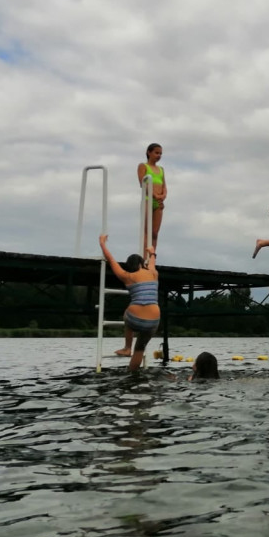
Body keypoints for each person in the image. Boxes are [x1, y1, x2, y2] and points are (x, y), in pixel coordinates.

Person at [99, 234, 160, 371]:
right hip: (154, 321)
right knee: (140, 348)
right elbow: (152, 262)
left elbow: (111, 260)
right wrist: (152, 253)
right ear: (141, 264)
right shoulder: (153, 273)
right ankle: (134, 375)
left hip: (135, 319)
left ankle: (127, 348)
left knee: (127, 313)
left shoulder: (127, 276)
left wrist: (102, 243)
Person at [138, 143, 167, 250]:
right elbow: (143, 184)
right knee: (147, 231)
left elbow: (164, 185)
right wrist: (154, 195)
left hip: (158, 202)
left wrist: (163, 195)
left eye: (160, 153)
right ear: (149, 152)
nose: (159, 155)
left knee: (155, 233)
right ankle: (144, 255)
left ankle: (152, 256)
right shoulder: (143, 166)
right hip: (148, 200)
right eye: (156, 153)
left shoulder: (161, 169)